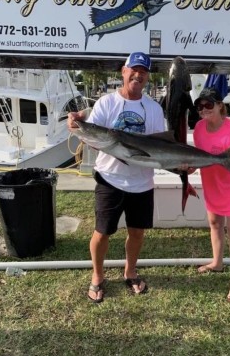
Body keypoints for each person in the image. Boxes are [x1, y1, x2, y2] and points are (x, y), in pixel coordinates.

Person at [67, 52, 165, 303]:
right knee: (102, 232)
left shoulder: (153, 108)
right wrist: (79, 124)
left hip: (142, 182)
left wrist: (181, 164)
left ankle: (130, 271)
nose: (138, 74)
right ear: (123, 71)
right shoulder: (106, 103)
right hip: (110, 178)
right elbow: (92, 130)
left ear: (147, 77)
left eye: (143, 71)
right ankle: (97, 276)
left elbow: (160, 146)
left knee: (137, 233)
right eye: (134, 69)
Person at [193, 87, 230, 302]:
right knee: (215, 223)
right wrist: (190, 166)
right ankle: (217, 262)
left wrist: (214, 161)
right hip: (212, 183)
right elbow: (200, 157)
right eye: (200, 106)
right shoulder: (198, 128)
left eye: (209, 104)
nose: (204, 109)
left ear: (219, 105)